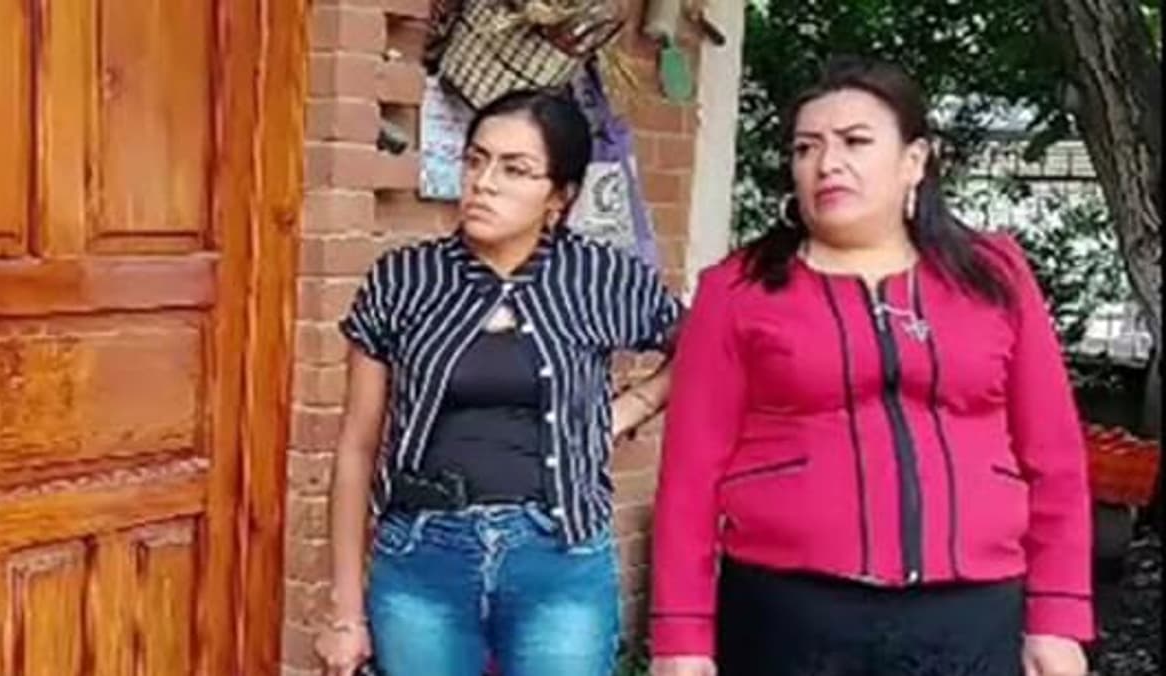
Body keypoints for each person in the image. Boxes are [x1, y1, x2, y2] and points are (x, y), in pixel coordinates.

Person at [648, 56, 1092, 676]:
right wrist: (681, 637)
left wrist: (1058, 617)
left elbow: (1055, 456)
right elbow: (690, 475)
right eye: (806, 148)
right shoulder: (737, 290)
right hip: (790, 615)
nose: (827, 163)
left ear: (915, 160)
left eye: (855, 141)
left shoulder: (993, 274)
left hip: (972, 614)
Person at [315, 88, 681, 676]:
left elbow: (703, 346)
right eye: (476, 160)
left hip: (558, 558)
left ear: (559, 195)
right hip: (423, 557)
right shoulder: (404, 279)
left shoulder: (601, 277)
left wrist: (630, 407)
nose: (484, 183)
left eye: (515, 169)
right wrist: (345, 611)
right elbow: (357, 447)